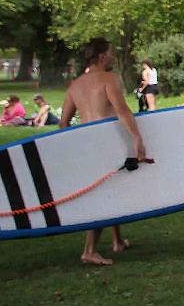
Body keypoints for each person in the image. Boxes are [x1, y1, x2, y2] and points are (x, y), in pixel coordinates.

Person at [60, 38, 147, 267]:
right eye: (110, 53)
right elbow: (122, 110)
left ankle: (117, 240)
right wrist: (137, 138)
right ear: (101, 57)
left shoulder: (75, 85)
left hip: (86, 144)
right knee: (105, 193)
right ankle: (89, 250)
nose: (113, 57)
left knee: (111, 187)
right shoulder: (108, 79)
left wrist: (70, 147)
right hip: (106, 141)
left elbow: (63, 123)